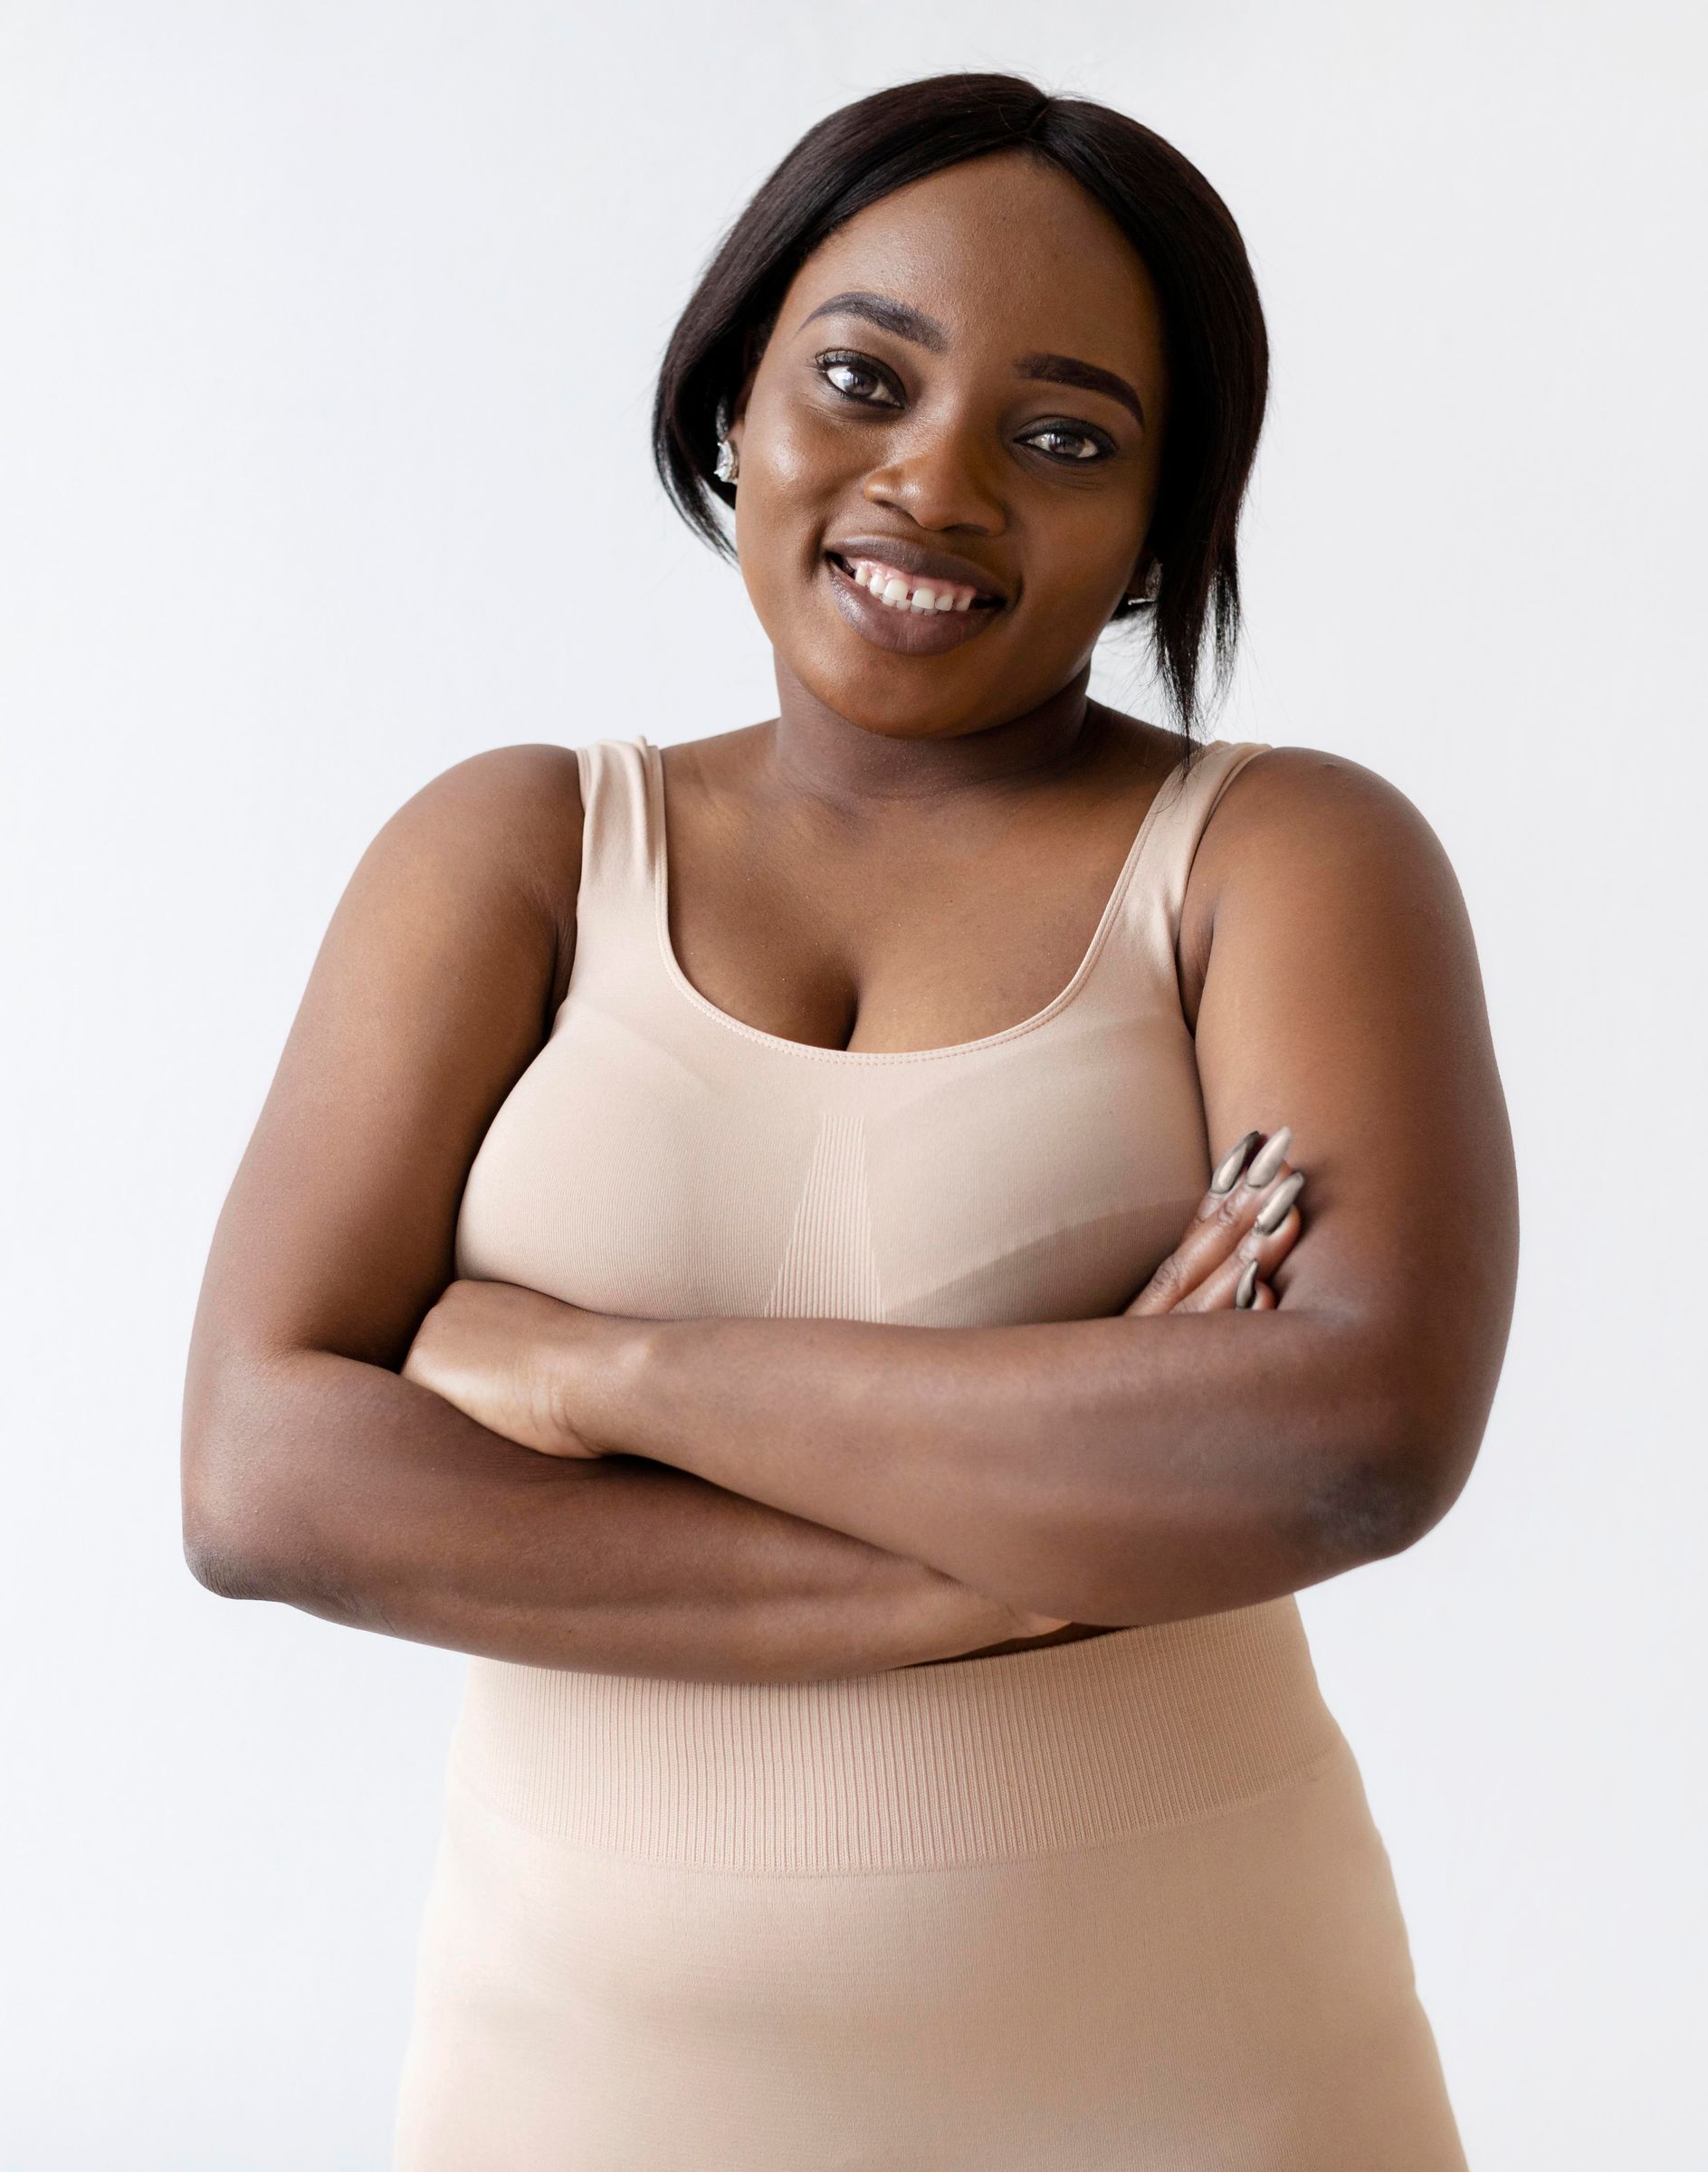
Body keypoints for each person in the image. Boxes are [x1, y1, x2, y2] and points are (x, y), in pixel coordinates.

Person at [182, 70, 1517, 2169]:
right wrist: (1023, 1562)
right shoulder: (519, 845)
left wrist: (594, 1368)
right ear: (736, 404)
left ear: (1166, 526)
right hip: (580, 2087)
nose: (938, 481)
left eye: (1064, 436)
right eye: (863, 378)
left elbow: (1345, 1446)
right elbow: (266, 1477)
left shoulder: (1282, 859)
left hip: (1214, 2070)